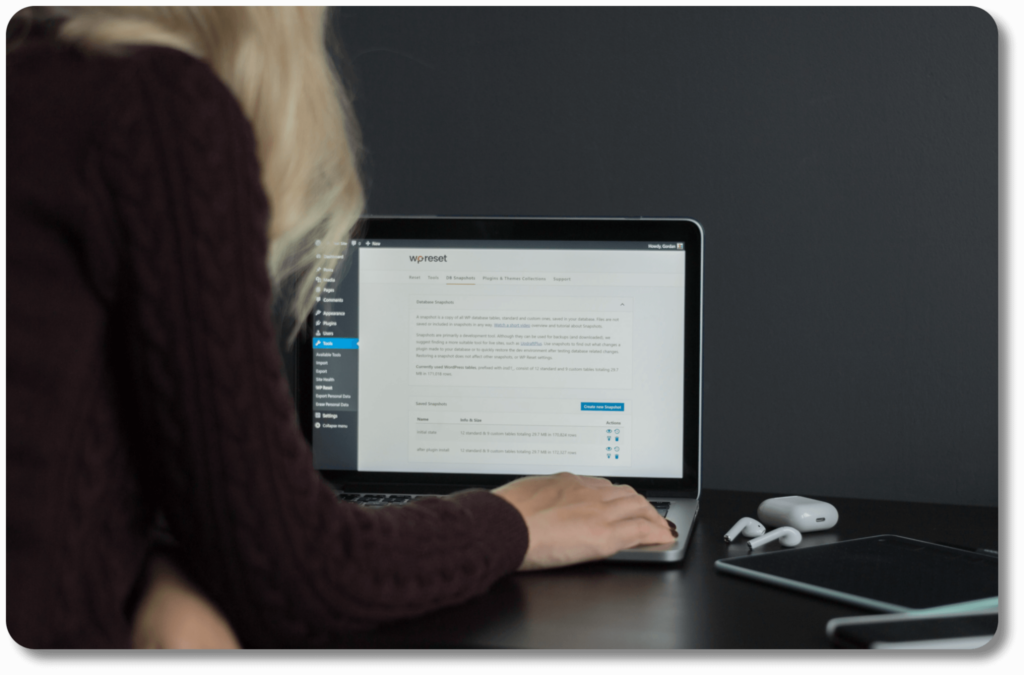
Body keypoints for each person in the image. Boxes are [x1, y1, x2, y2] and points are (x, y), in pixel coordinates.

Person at [5, 6, 676, 649]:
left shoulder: (34, 72)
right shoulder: (148, 103)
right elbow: (296, 571)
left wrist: (161, 567)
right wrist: (518, 519)